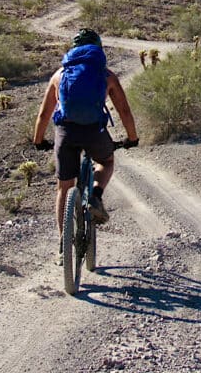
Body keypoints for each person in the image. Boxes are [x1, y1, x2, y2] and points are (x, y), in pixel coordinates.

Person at [33, 29, 139, 245]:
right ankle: (96, 196)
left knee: (64, 187)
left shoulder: (60, 75)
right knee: (106, 161)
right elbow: (124, 111)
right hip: (94, 132)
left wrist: (38, 140)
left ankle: (64, 243)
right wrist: (132, 138)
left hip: (66, 132)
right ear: (98, 49)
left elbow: (44, 114)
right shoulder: (106, 75)